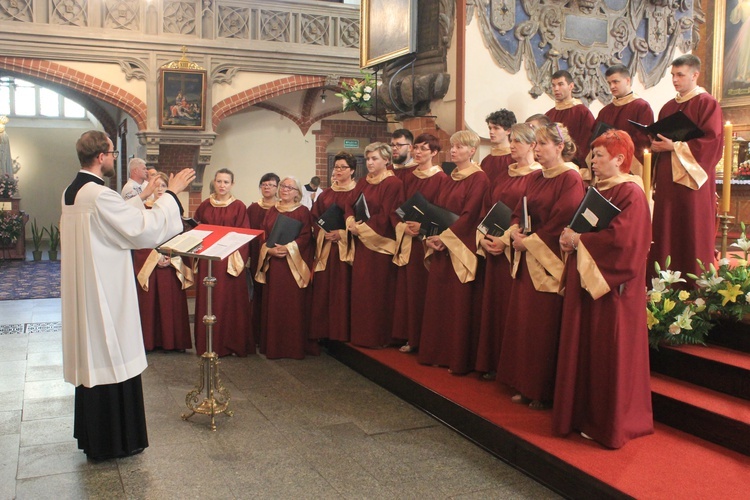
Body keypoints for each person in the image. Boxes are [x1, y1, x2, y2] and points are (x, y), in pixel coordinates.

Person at [61, 130, 195, 461]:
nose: (114, 159)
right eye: (113, 154)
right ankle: (115, 440)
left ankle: (94, 436)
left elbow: (113, 219)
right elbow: (141, 230)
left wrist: (143, 195)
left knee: (95, 357)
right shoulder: (98, 194)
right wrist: (172, 196)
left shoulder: (72, 191)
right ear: (101, 157)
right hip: (106, 289)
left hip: (86, 288)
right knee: (111, 352)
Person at [555, 129, 653, 448]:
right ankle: (581, 413)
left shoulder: (631, 194)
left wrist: (579, 240)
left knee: (608, 353)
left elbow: (624, 244)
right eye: (593, 155)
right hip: (589, 282)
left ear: (620, 159)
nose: (592, 161)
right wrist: (568, 236)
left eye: (597, 156)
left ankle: (610, 423)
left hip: (613, 292)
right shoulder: (599, 190)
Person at [497, 123, 585, 409]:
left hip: (548, 263)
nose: (537, 149)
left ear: (560, 147)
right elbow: (517, 212)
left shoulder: (569, 177)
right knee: (524, 325)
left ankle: (542, 389)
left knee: (542, 327)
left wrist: (530, 242)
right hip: (527, 259)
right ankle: (523, 383)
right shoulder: (536, 177)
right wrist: (514, 232)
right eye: (535, 144)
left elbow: (563, 221)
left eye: (543, 144)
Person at [417, 131, 489, 375]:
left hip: (460, 248)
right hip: (441, 245)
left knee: (457, 304)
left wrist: (445, 238)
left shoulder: (479, 179)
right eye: (452, 146)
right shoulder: (449, 179)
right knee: (439, 302)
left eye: (459, 147)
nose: (453, 150)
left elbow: (471, 216)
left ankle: (456, 357)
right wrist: (430, 235)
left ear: (472, 150)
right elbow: (435, 210)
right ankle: (436, 353)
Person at [648, 54, 724, 281]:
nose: (675, 80)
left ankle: (695, 285)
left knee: (692, 231)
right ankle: (663, 287)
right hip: (667, 181)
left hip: (692, 184)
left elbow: (712, 142)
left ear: (695, 75)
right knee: (666, 231)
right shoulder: (668, 107)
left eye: (680, 75)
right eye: (672, 75)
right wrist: (656, 145)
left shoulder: (706, 103)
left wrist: (675, 146)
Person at [475, 123, 541, 379]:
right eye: (511, 140)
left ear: (532, 145)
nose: (511, 145)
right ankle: (492, 363)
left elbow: (529, 216)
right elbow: (486, 207)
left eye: (517, 141)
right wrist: (482, 238)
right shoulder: (504, 174)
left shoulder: (536, 176)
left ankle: (510, 367)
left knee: (512, 310)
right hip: (493, 248)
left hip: (514, 251)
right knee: (494, 307)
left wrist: (504, 240)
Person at [392, 134, 447, 354]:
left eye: (424, 149)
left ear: (434, 153)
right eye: (416, 148)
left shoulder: (442, 178)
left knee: (426, 290)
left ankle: (427, 339)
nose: (418, 152)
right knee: (410, 289)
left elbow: (442, 209)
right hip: (408, 240)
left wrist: (422, 228)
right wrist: (403, 226)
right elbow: (397, 207)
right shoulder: (407, 177)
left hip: (427, 241)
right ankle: (411, 336)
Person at [346, 142, 404, 348]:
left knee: (377, 291)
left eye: (375, 159)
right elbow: (349, 205)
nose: (370, 163)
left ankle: (378, 337)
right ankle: (360, 335)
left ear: (386, 160)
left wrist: (361, 229)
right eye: (368, 159)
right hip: (362, 243)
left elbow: (388, 213)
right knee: (361, 291)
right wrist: (351, 222)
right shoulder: (363, 182)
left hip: (380, 245)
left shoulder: (393, 183)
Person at [193, 168, 254, 357]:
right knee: (209, 301)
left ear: (232, 184)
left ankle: (230, 343)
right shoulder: (204, 205)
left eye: (226, 182)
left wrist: (232, 254)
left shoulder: (239, 207)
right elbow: (196, 229)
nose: (222, 185)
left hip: (228, 261)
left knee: (229, 302)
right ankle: (208, 344)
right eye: (219, 181)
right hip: (208, 261)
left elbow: (244, 235)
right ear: (214, 182)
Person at [255, 176, 318, 359]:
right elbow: (264, 234)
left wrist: (288, 248)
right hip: (274, 263)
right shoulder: (272, 210)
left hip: (292, 265)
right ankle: (273, 345)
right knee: (274, 303)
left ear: (297, 192)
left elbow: (306, 236)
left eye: (290, 188)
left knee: (292, 305)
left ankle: (292, 346)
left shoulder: (303, 211)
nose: (285, 190)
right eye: (283, 186)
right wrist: (269, 250)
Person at [133, 172, 193, 352]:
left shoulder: (175, 211)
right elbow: (137, 239)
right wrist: (155, 257)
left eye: (164, 186)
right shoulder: (141, 210)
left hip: (172, 263)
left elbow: (181, 237)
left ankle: (173, 342)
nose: (160, 189)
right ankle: (149, 342)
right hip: (150, 264)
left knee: (170, 304)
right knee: (149, 305)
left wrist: (173, 256)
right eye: (156, 185)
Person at [310, 152, 357, 342]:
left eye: (342, 167)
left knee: (345, 289)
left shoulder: (357, 192)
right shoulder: (326, 194)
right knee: (324, 289)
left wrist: (343, 234)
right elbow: (315, 218)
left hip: (349, 250)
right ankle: (324, 332)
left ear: (352, 170)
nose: (338, 170)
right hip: (327, 247)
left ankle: (343, 332)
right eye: (336, 167)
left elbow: (362, 220)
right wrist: (324, 233)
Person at [593, 65, 654, 174]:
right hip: (606, 167)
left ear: (627, 80)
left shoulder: (641, 107)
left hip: (630, 166)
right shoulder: (605, 111)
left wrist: (616, 153)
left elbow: (643, 140)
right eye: (609, 83)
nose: (612, 86)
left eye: (616, 82)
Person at [246, 173, 280, 344]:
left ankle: (272, 333)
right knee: (257, 292)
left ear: (277, 188)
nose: (267, 187)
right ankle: (257, 334)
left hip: (277, 255)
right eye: (264, 184)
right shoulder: (252, 208)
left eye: (271, 185)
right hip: (256, 253)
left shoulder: (282, 208)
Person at [545, 70, 596, 172]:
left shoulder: (582, 112)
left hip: (575, 168)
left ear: (571, 86)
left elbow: (588, 144)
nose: (556, 89)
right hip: (551, 168)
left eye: (560, 84)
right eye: (553, 85)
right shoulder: (548, 115)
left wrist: (585, 171)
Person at [480, 109, 517, 183]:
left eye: (496, 128)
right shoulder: (486, 160)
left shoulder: (515, 158)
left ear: (508, 131)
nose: (491, 132)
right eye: (490, 128)